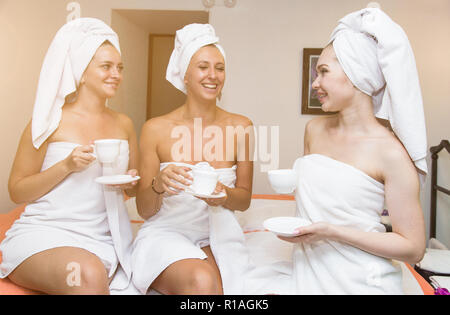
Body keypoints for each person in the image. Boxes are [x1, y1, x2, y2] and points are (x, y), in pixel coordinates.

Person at [279, 8, 427, 294]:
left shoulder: (391, 153)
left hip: (360, 280)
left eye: (323, 72)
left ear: (357, 74)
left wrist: (332, 232)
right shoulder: (314, 131)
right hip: (307, 269)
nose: (315, 83)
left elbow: (413, 247)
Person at [0, 18, 139, 294]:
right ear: (82, 72)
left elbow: (131, 188)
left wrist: (131, 182)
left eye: (119, 67)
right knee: (86, 272)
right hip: (45, 235)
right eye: (106, 66)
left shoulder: (124, 123)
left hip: (102, 237)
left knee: (98, 271)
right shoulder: (48, 122)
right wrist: (66, 166)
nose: (116, 74)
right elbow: (17, 191)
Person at [131, 23, 254, 295]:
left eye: (219, 68)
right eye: (203, 67)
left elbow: (244, 199)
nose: (213, 75)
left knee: (228, 290)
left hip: (217, 233)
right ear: (184, 74)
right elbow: (144, 209)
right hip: (167, 231)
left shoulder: (242, 127)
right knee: (201, 281)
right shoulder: (155, 129)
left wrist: (225, 196)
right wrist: (158, 185)